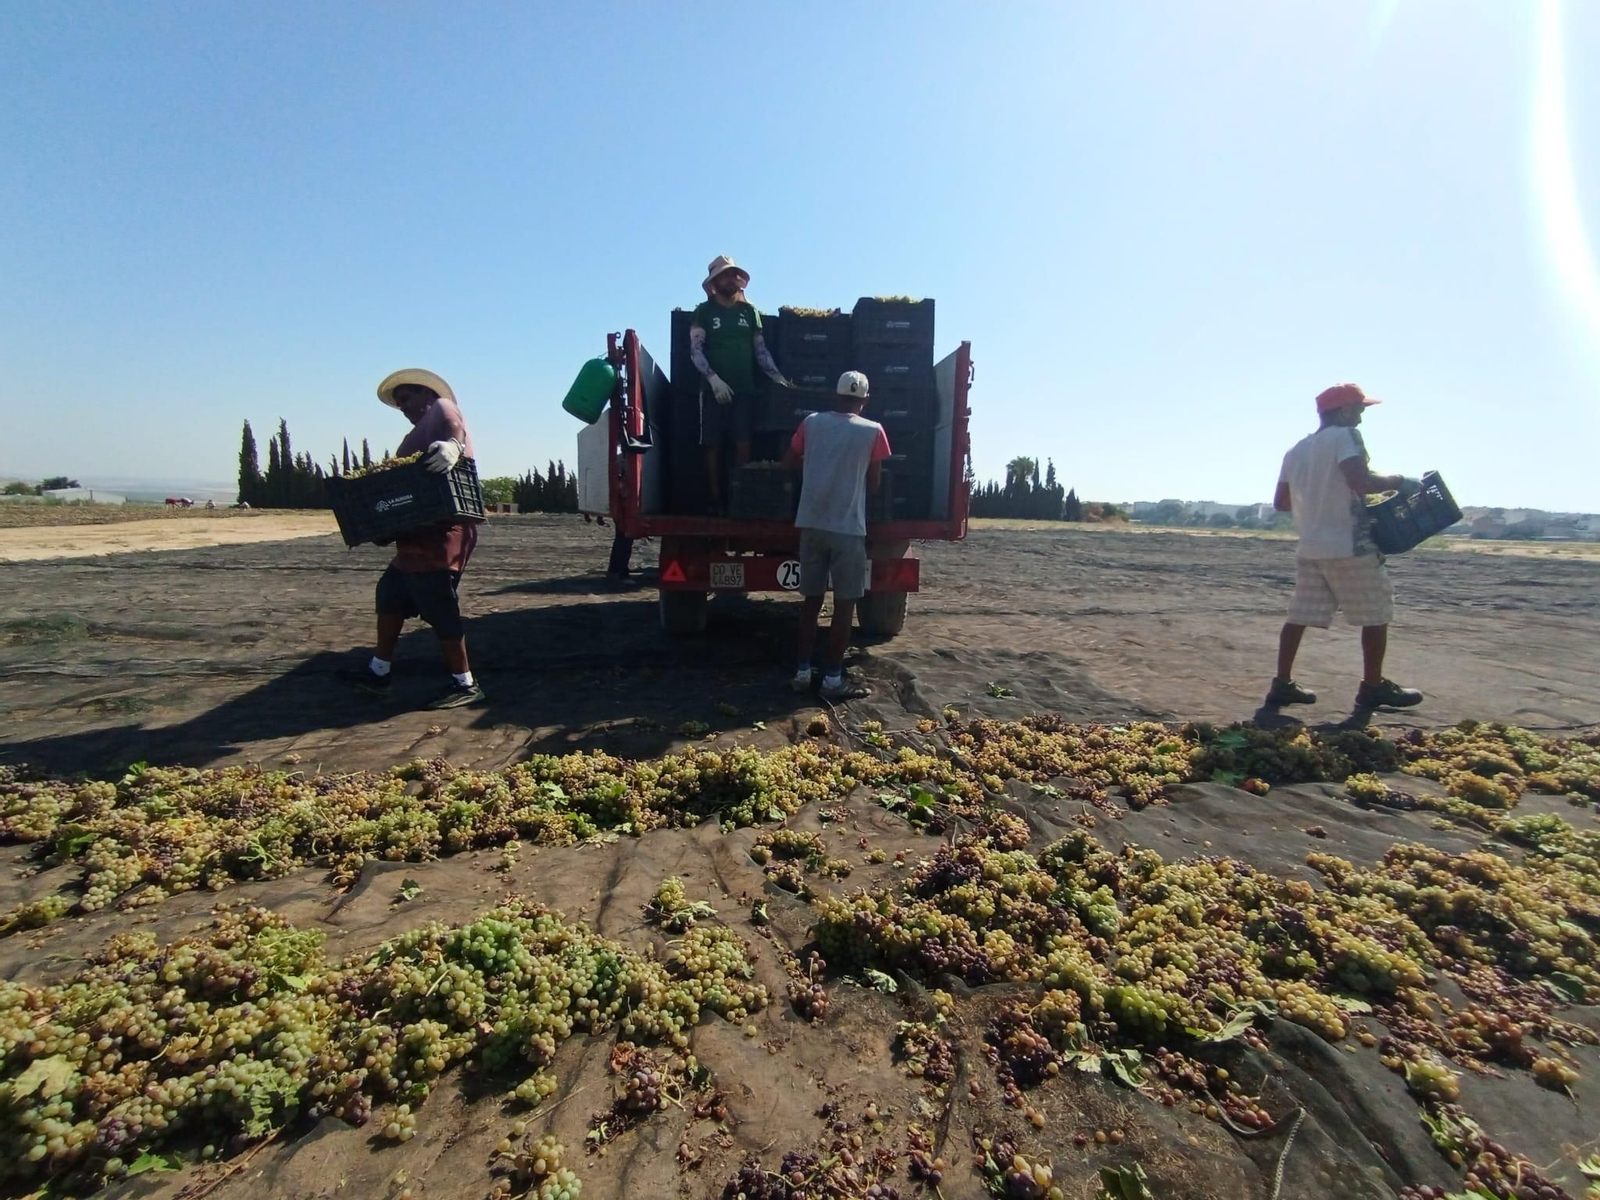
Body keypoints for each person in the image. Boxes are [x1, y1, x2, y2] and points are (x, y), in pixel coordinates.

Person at [1267, 383, 1423, 711]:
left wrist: (1317, 501)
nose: (1361, 419)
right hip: (1348, 545)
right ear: (1343, 411)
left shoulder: (1297, 450)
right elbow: (1361, 482)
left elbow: (1282, 502)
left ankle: (1281, 684)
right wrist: (1399, 482)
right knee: (1376, 614)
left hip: (1311, 547)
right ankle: (1372, 687)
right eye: (1359, 411)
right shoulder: (1345, 437)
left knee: (1299, 615)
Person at [342, 368, 485, 709]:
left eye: (407, 397)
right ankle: (379, 673)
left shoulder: (441, 409)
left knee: (438, 604)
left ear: (426, 393)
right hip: (415, 535)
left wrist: (453, 444)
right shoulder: (416, 435)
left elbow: (455, 424)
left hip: (441, 534)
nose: (403, 406)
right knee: (390, 594)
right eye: (399, 402)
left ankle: (465, 684)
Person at [783, 371, 891, 699]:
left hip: (811, 524)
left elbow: (789, 462)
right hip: (848, 528)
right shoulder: (874, 431)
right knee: (844, 607)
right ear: (865, 400)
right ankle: (832, 679)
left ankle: (802, 673)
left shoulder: (811, 423)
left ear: (836, 395)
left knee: (810, 603)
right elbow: (873, 485)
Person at [690, 255, 790, 510]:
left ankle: (739, 496)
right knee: (712, 444)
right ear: (715, 280)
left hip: (744, 388)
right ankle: (715, 498)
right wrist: (713, 379)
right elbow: (696, 351)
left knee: (743, 442)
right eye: (724, 275)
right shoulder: (704, 311)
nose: (730, 279)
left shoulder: (749, 312)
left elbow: (760, 351)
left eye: (733, 275)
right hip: (713, 390)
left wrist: (777, 377)